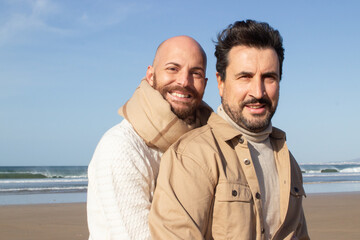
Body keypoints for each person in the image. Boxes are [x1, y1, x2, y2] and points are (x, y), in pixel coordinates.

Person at [149, 20, 309, 240]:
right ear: (221, 83)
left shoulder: (287, 160)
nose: (258, 91)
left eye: (269, 78)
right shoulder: (192, 156)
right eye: (245, 77)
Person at [87, 35, 212, 240]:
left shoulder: (208, 144)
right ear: (151, 76)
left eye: (195, 73)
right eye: (173, 68)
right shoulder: (122, 147)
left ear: (205, 84)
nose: (184, 81)